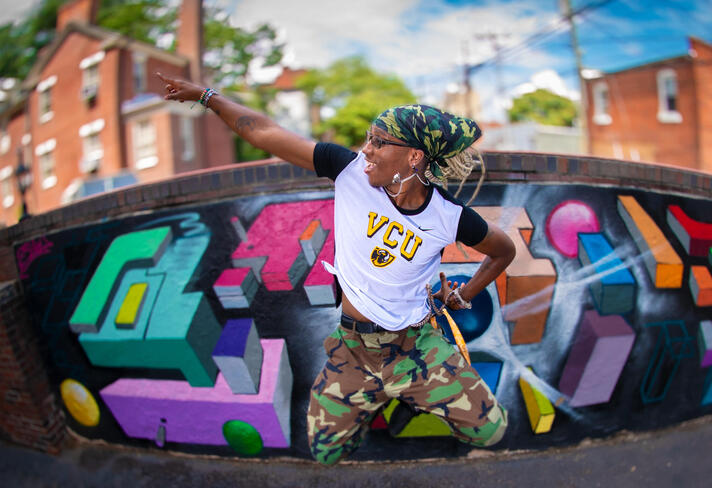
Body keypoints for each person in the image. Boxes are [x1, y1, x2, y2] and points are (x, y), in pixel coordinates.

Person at [158, 73, 515, 465]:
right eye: (368, 138)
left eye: (380, 142)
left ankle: (411, 395)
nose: (367, 150)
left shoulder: (449, 217)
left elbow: (503, 251)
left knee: (491, 429)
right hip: (354, 350)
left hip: (415, 349)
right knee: (325, 452)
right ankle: (376, 401)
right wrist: (208, 97)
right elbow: (265, 132)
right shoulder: (348, 171)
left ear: (414, 157)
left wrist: (463, 295)